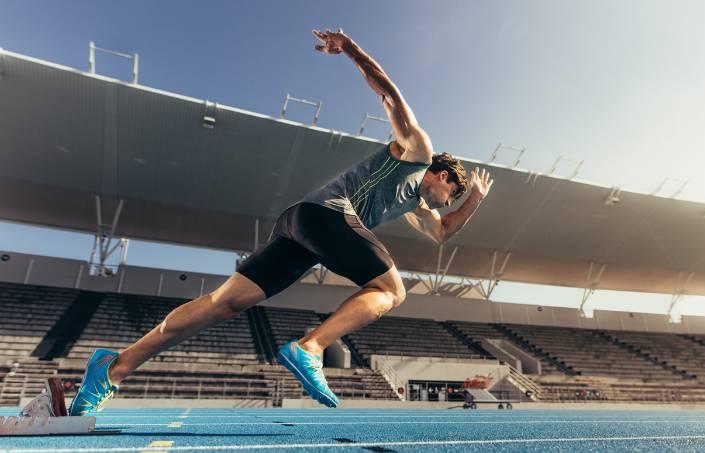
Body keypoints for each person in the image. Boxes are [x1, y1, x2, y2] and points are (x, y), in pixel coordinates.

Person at [70, 28, 492, 414]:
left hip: (300, 229)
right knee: (390, 290)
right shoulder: (417, 151)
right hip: (326, 215)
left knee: (224, 303)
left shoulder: (416, 205)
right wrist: (350, 50)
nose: (448, 200)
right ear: (442, 174)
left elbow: (443, 231)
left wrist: (473, 199)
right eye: (453, 191)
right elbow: (390, 95)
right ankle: (311, 348)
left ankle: (113, 368)